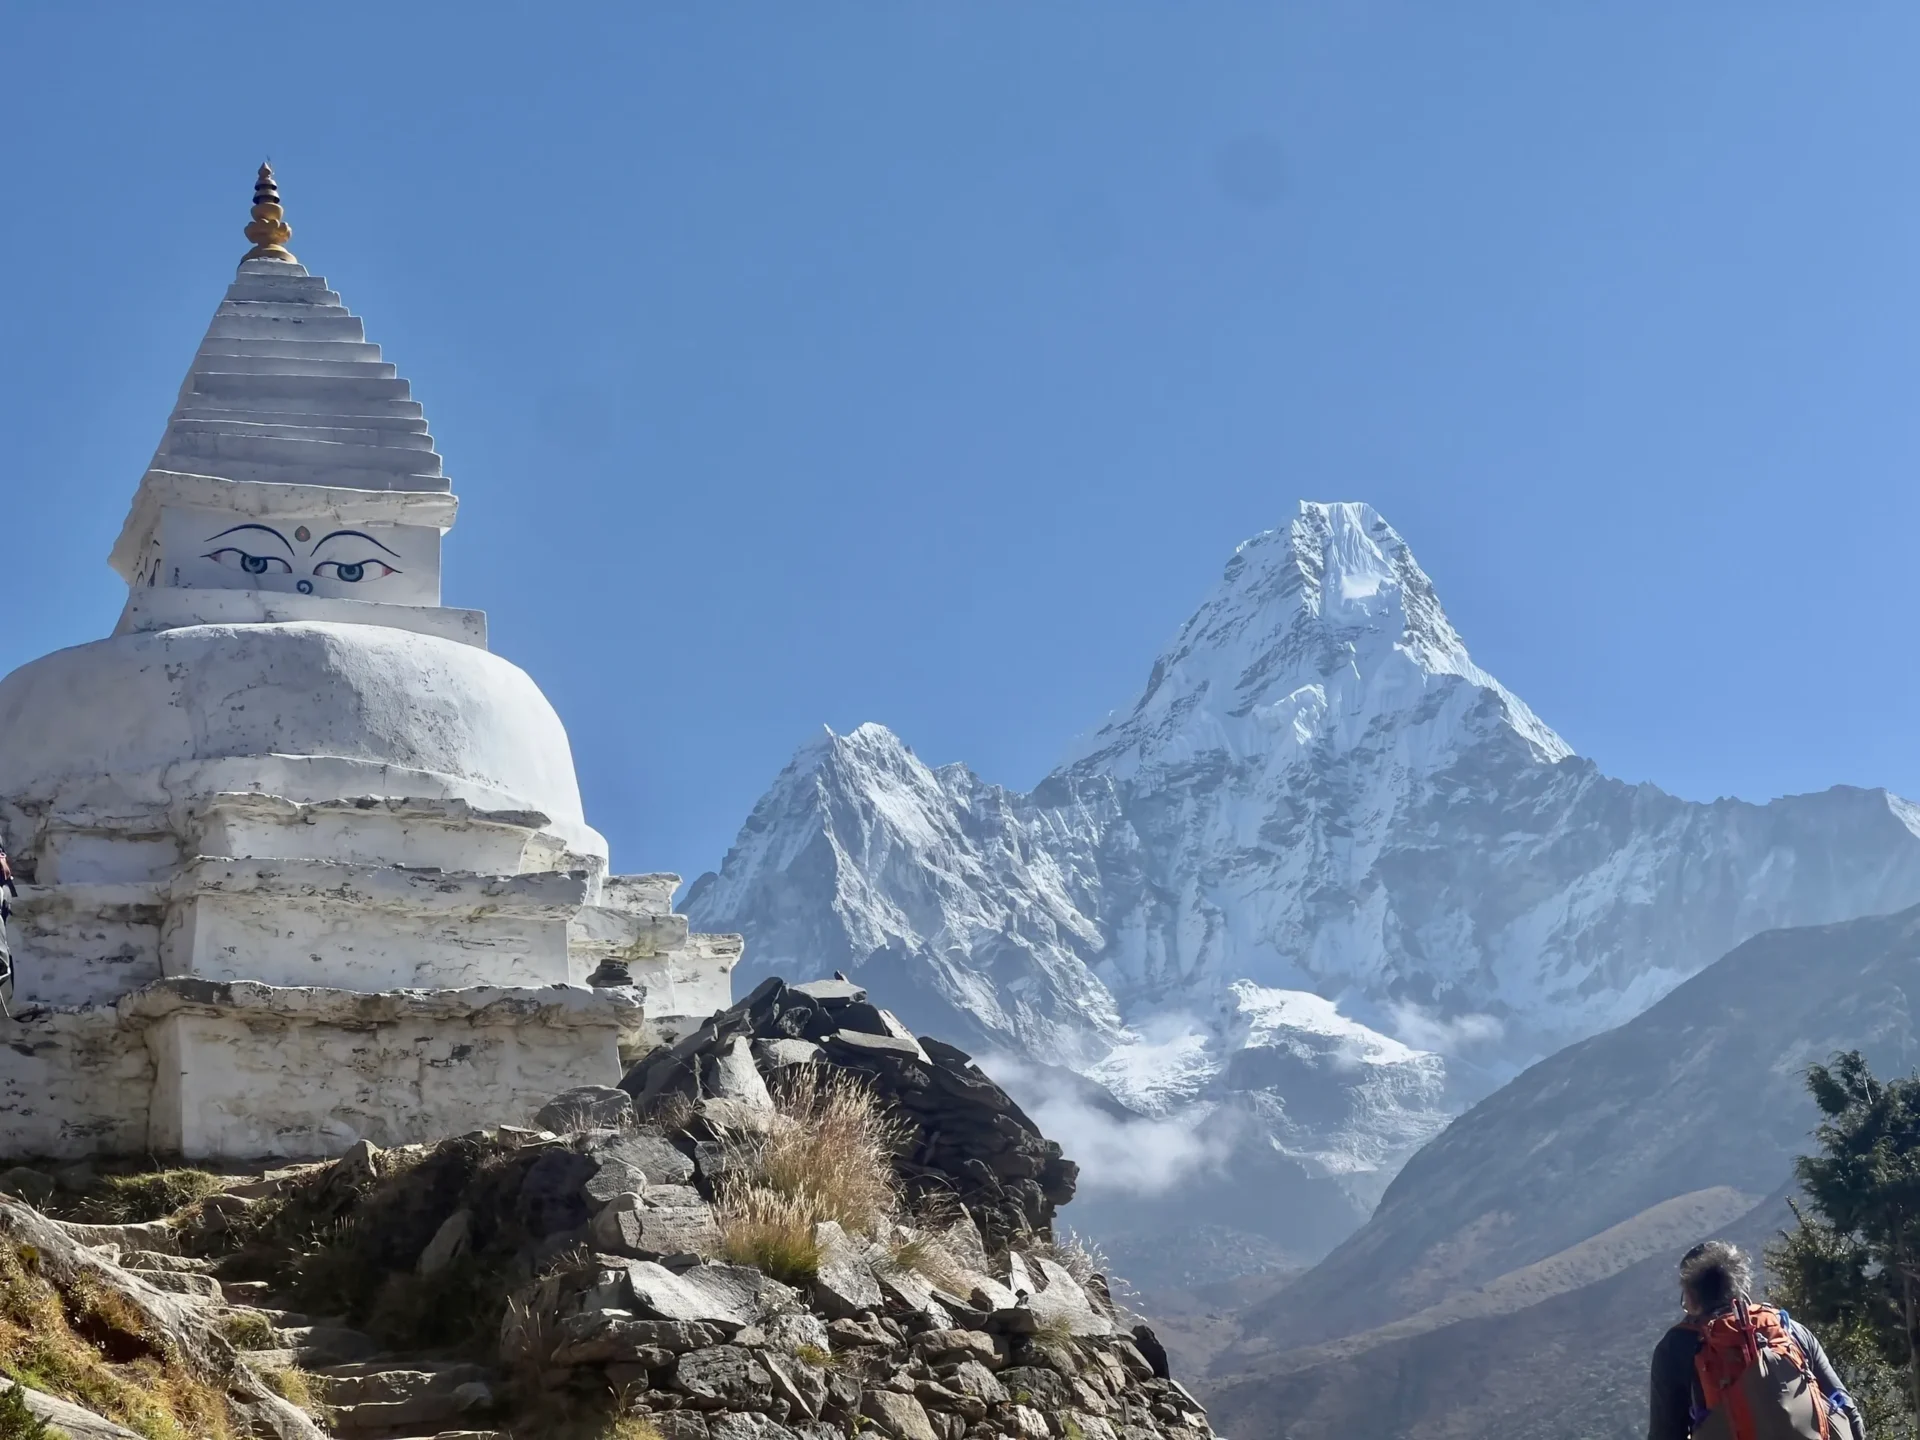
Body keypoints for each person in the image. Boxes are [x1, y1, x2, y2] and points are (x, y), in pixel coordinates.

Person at [1648, 1240, 1865, 1440]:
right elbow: (1845, 1407)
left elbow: (1665, 1435)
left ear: (1691, 1296)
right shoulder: (1789, 1330)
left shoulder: (1675, 1349)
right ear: (1743, 1286)